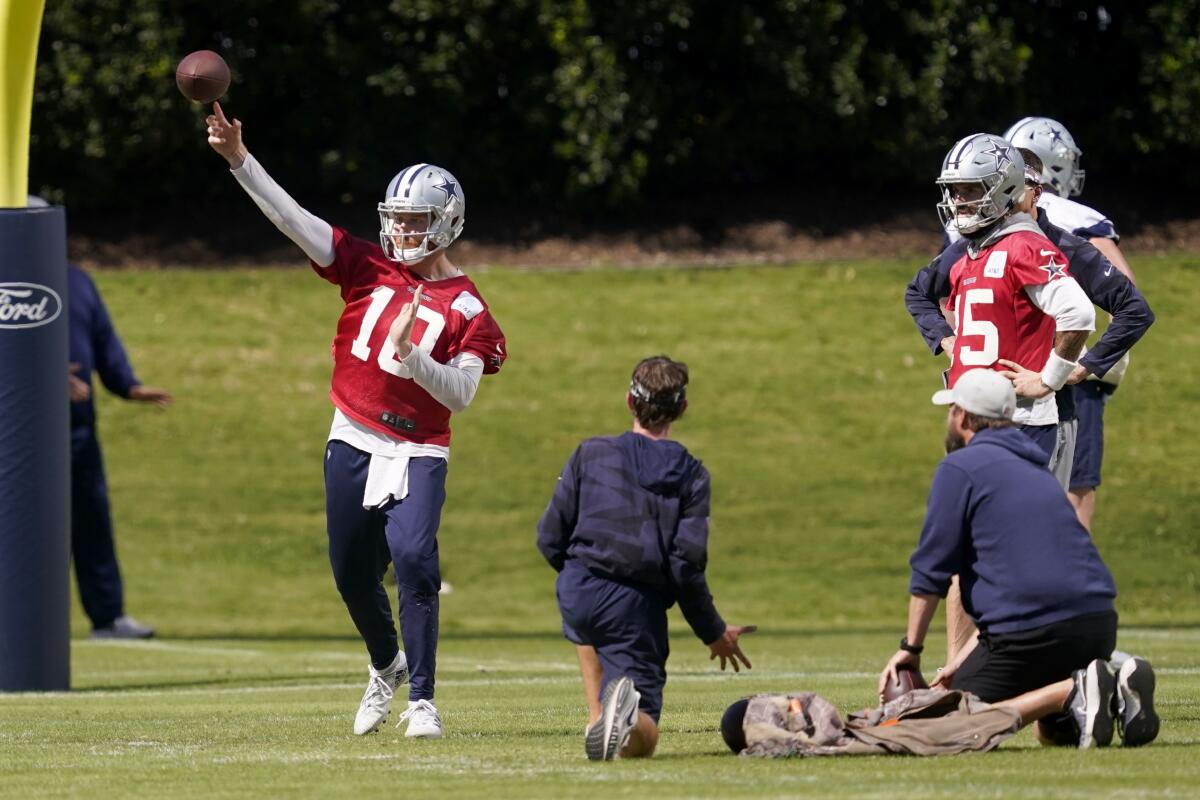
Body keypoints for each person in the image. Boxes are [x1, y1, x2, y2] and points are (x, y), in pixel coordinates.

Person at [205, 103, 506, 739]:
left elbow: (460, 396)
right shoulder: (366, 266)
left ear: (447, 223)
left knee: (416, 560)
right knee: (350, 573)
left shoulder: (471, 308)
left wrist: (412, 356)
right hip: (352, 433)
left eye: (415, 221)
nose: (400, 232)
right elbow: (292, 218)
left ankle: (422, 700)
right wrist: (239, 161)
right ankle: (385, 666)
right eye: (395, 219)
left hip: (419, 447)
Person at [877, 369, 1158, 748]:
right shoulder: (1037, 471)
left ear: (961, 416)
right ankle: (1108, 677)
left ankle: (1069, 691)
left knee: (948, 723)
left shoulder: (959, 469)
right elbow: (1023, 580)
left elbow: (931, 572)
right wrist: (962, 659)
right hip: (1097, 625)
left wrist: (910, 650)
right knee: (1055, 734)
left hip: (1032, 632)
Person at [905, 148, 1154, 510]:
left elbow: (1133, 309)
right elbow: (918, 293)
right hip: (978, 408)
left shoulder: (1062, 246)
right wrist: (947, 340)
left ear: (1034, 191)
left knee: (1042, 525)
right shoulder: (972, 246)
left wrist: (1079, 368)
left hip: (1044, 411)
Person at [536, 355, 754, 761]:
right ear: (682, 409)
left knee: (590, 628)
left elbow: (550, 536)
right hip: (635, 605)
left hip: (578, 588)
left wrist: (576, 576)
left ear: (629, 402)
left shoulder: (589, 453)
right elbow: (686, 567)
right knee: (645, 737)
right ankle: (629, 719)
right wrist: (713, 631)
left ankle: (598, 719)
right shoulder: (691, 474)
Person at [1004, 117, 1139, 530]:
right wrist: (1096, 364)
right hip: (1062, 373)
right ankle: (1064, 590)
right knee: (1071, 500)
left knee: (992, 505)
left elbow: (942, 297)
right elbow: (1128, 296)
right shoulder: (1080, 219)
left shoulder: (972, 219)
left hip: (995, 375)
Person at [721, 658, 1154, 756]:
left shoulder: (758, 717)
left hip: (879, 729)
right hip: (881, 724)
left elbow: (820, 729)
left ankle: (1072, 690)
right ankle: (1109, 696)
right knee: (977, 715)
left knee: (980, 722)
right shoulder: (764, 714)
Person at [63, 255, 172, 639]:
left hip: (76, 429)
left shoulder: (77, 282)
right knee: (21, 528)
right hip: (16, 433)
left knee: (92, 519)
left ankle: (107, 617)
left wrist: (127, 384)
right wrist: (42, 373)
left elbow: (102, 338)